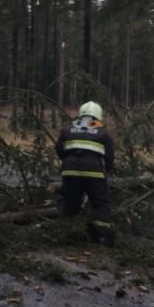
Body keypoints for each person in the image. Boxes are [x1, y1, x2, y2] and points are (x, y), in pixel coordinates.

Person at [55, 101, 115, 245]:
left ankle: (70, 235)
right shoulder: (103, 133)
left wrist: (69, 162)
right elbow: (109, 156)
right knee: (100, 204)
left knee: (71, 203)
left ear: (81, 114)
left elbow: (59, 150)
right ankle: (102, 237)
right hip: (94, 173)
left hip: (70, 172)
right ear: (98, 116)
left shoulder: (67, 130)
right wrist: (105, 171)